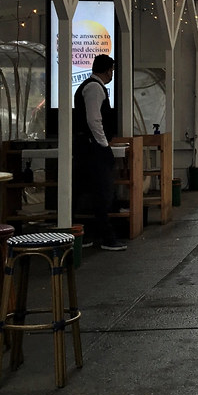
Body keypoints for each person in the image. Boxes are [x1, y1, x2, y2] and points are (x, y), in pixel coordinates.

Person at [73, 54, 126, 251]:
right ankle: (106, 237)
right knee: (102, 191)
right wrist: (103, 145)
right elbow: (94, 120)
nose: (112, 73)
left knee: (87, 190)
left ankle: (85, 234)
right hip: (92, 147)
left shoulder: (91, 86)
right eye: (111, 69)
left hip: (87, 146)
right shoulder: (94, 88)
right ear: (107, 70)